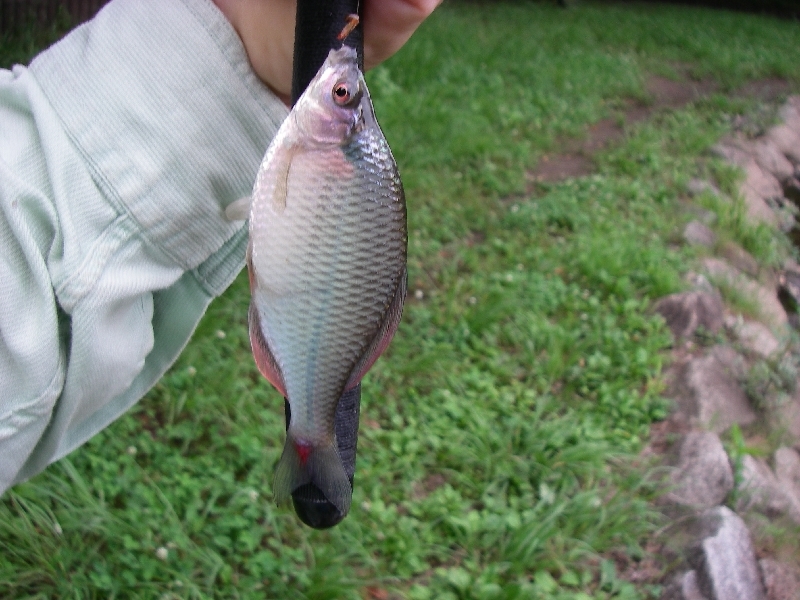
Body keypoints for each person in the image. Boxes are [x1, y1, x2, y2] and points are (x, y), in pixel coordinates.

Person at [0, 0, 440, 496]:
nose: (339, 85)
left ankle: (309, 433)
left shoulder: (334, 157)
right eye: (343, 92)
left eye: (342, 94)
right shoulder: (330, 154)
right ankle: (310, 436)